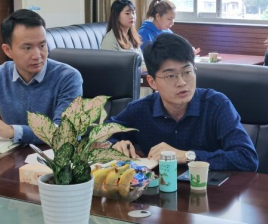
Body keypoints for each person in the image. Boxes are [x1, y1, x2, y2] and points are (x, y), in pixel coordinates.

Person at [108, 33, 259, 172]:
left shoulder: (216, 105)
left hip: (208, 189)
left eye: (187, 72)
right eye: (171, 76)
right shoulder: (140, 110)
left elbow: (247, 158)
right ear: (152, 82)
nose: (182, 82)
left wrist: (187, 156)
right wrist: (115, 145)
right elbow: (101, 136)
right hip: (157, 190)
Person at [0, 9, 83, 144]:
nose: (37, 55)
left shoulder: (68, 77)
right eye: (27, 48)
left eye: (42, 45)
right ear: (8, 50)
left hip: (54, 157)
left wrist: (12, 131)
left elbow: (66, 133)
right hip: (12, 155)